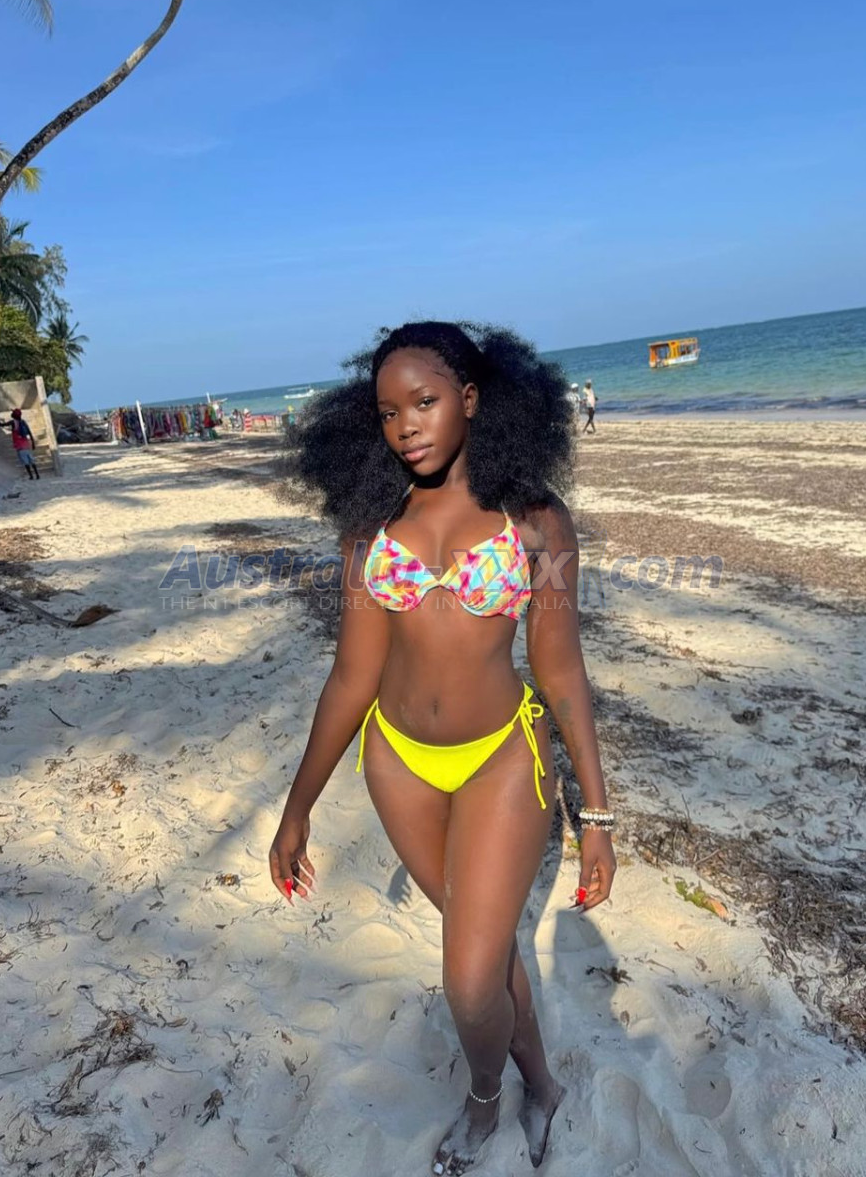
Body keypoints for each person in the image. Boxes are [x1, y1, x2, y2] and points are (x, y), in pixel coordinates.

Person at [269, 321, 616, 1174]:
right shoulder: (370, 532)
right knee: (486, 949)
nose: (406, 427)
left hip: (503, 758)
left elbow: (561, 673)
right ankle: (542, 1086)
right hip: (397, 764)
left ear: (469, 398)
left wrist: (597, 816)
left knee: (466, 976)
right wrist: (296, 809)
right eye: (388, 413)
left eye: (423, 402)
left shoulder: (534, 524)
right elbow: (351, 678)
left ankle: (483, 1099)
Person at [0, 408, 40, 479]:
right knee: (31, 460)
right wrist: (33, 442)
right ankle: (37, 474)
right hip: (26, 443)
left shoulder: (13, 422)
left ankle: (31, 476)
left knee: (25, 462)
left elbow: (1, 425)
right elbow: (29, 432)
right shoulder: (23, 422)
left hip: (19, 445)